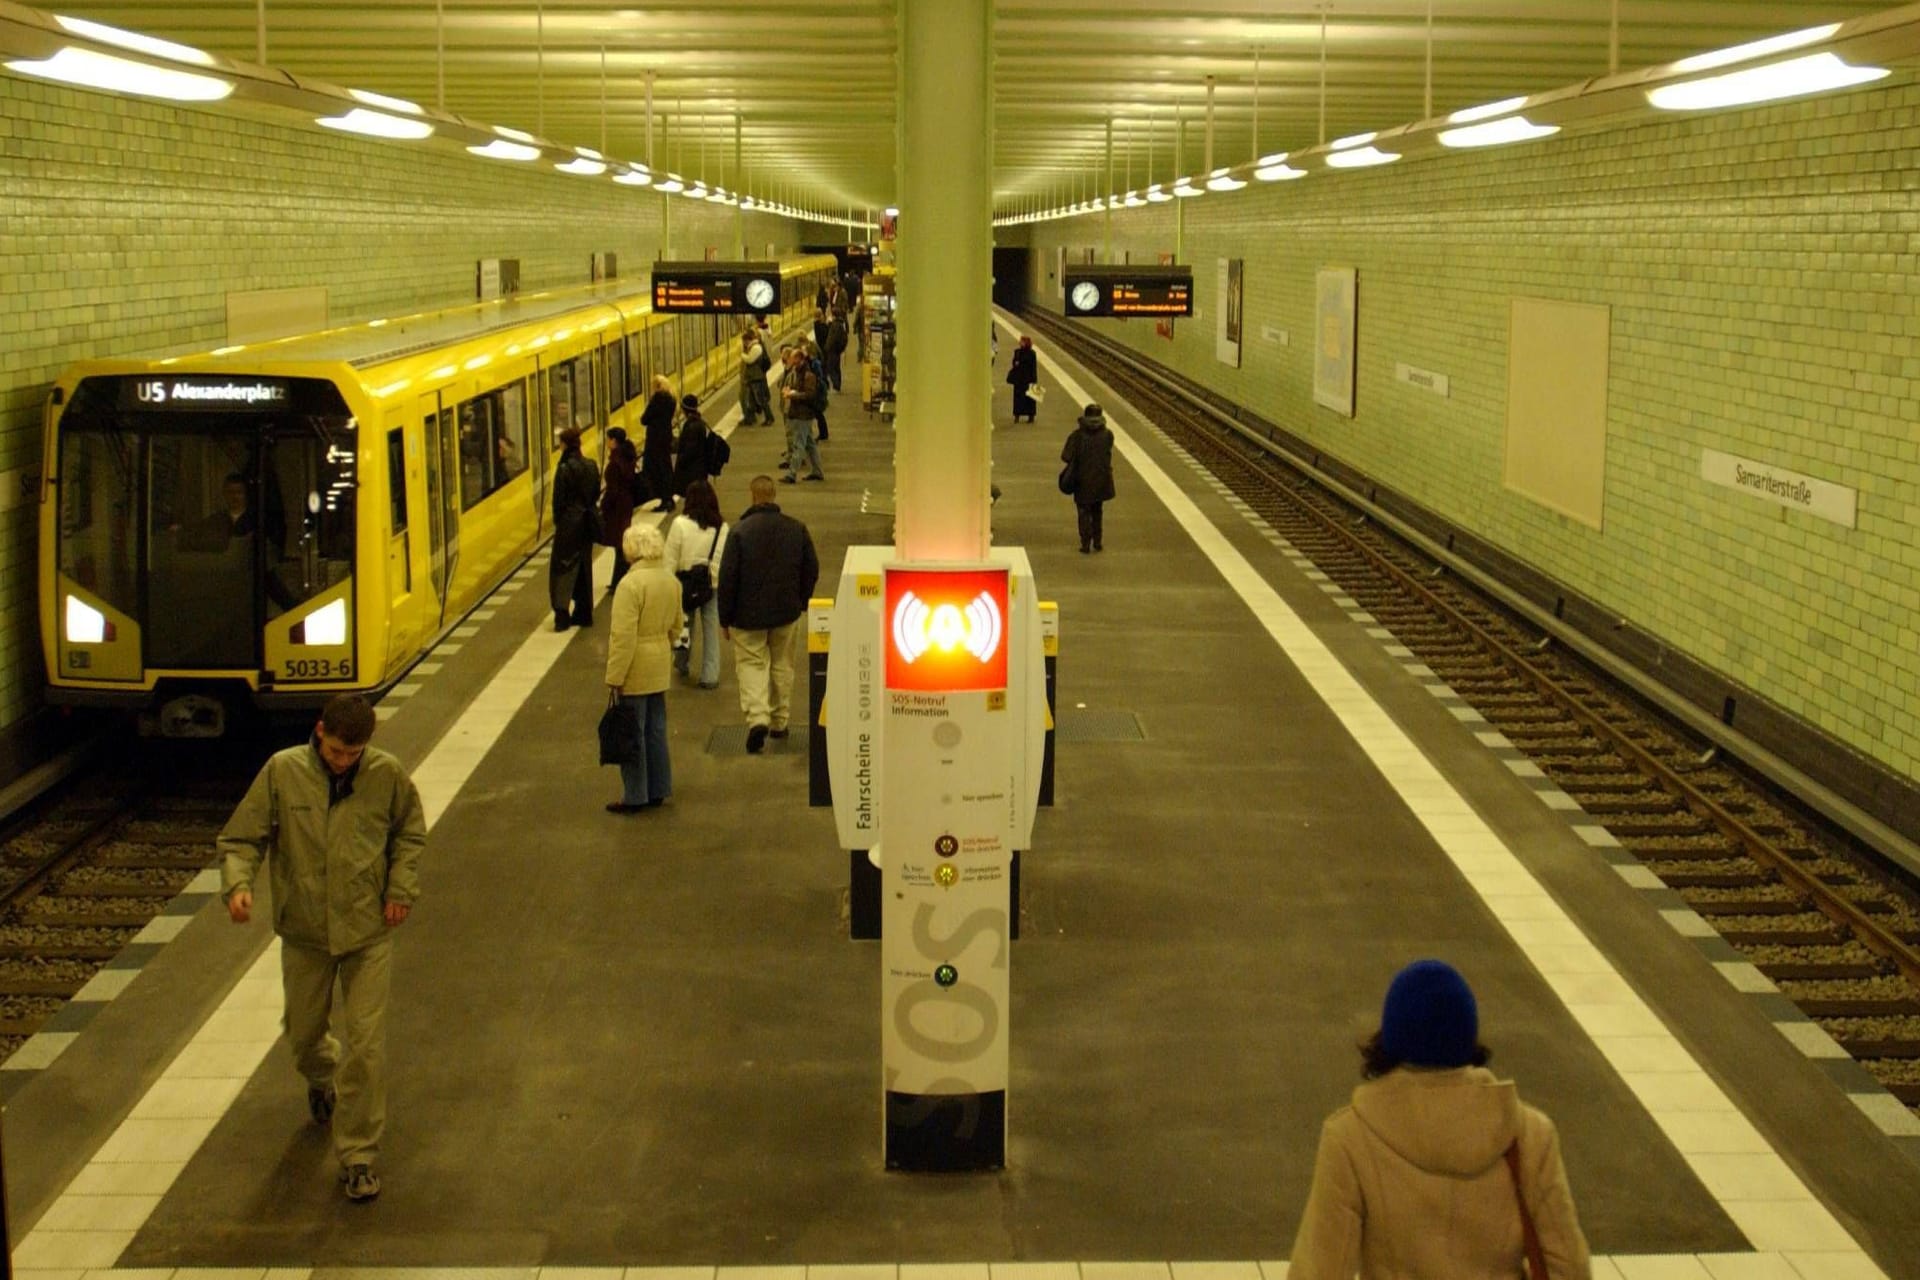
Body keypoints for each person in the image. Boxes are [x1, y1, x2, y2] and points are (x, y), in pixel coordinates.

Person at [218, 693, 425, 1203]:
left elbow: (409, 836)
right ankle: (320, 1077)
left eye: (352, 755)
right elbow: (242, 839)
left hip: (366, 933)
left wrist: (400, 889)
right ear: (319, 732)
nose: (342, 762)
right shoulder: (282, 772)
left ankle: (357, 1155)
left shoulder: (387, 775)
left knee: (367, 1044)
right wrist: (237, 884)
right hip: (306, 933)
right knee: (304, 1033)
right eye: (334, 751)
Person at [1289, 960, 1591, 1280]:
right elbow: (1570, 1268)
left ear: (1390, 1037)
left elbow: (1320, 1271)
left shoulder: (1350, 1138)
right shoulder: (1530, 1134)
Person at [717, 474, 819, 754]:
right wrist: (801, 601)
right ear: (774, 496)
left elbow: (727, 578)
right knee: (782, 665)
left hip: (746, 617)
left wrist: (724, 618)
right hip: (786, 612)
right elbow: (812, 567)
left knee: (752, 664)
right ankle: (779, 721)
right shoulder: (796, 529)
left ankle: (758, 718)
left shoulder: (739, 532)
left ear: (752, 496)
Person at [604, 523, 681, 813]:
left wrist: (614, 676)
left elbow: (623, 637)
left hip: (635, 665)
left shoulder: (630, 585)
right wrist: (662, 646)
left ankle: (635, 794)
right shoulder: (670, 580)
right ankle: (659, 787)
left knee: (631, 732)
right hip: (660, 660)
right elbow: (677, 626)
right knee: (656, 729)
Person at [666, 478, 729, 689]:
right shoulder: (722, 527)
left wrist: (669, 581)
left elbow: (670, 557)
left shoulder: (679, 524)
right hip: (710, 583)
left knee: (684, 623)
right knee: (711, 627)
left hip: (684, 581)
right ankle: (710, 675)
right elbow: (722, 558)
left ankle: (682, 663)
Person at [549, 426, 600, 629]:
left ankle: (562, 615)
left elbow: (558, 502)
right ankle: (584, 612)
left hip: (569, 525)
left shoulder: (564, 469)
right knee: (584, 568)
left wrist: (560, 521)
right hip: (587, 522)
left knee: (562, 569)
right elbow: (595, 493)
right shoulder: (591, 465)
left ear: (564, 445)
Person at [1060, 402, 1115, 554]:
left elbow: (1065, 456)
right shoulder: (1108, 435)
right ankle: (1098, 542)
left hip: (1082, 479)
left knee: (1083, 511)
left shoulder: (1077, 436)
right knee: (1098, 510)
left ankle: (1085, 544)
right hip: (1101, 479)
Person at [599, 426, 641, 592]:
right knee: (620, 543)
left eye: (608, 439)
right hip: (626, 504)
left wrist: (603, 506)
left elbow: (612, 490)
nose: (606, 442)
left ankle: (619, 581)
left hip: (617, 507)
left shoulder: (615, 463)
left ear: (614, 441)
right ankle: (617, 580)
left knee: (619, 544)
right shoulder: (627, 456)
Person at [779, 348, 826, 483]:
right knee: (810, 444)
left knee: (798, 445)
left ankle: (792, 474)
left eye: (794, 359)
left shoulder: (808, 376)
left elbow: (809, 395)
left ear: (800, 360)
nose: (791, 361)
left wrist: (793, 395)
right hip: (798, 413)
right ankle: (817, 471)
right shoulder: (797, 373)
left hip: (803, 415)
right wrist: (789, 391)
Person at [638, 374, 677, 512]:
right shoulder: (671, 398)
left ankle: (664, 498)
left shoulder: (658, 399)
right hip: (666, 435)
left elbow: (644, 419)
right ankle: (669, 499)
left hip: (655, 439)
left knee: (656, 468)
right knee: (666, 467)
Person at [672, 393, 712, 504]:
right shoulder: (698, 423)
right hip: (698, 467)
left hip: (693, 470)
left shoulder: (692, 426)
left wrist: (681, 461)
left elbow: (691, 449)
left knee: (694, 496)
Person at [740, 326, 775, 426]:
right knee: (750, 400)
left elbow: (749, 360)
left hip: (756, 378)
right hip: (752, 378)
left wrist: (742, 354)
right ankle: (749, 419)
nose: (744, 343)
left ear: (748, 340)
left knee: (761, 400)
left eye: (745, 341)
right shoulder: (752, 347)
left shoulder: (756, 348)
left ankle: (770, 417)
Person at [1007, 335, 1039, 422]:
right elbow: (1014, 362)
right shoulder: (1017, 352)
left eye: (1021, 341)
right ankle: (1017, 415)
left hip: (1028, 379)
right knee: (1018, 398)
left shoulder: (1032, 353)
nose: (1020, 342)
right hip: (1019, 379)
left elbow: (1033, 367)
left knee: (1030, 398)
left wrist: (1034, 380)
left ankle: (1031, 416)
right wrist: (1015, 363)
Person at [823, 308, 849, 393]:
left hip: (833, 350)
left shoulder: (835, 325)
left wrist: (827, 347)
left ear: (833, 315)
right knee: (836, 368)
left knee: (831, 368)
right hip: (837, 350)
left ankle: (836, 386)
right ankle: (837, 385)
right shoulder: (840, 324)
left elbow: (832, 338)